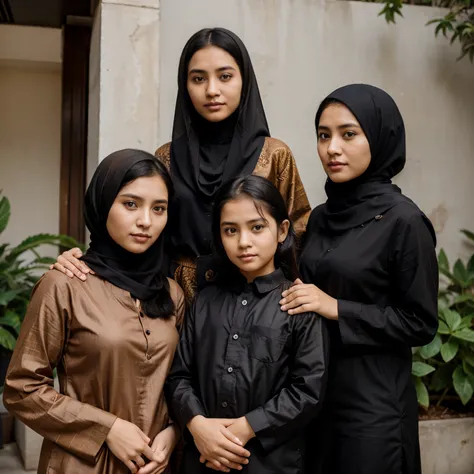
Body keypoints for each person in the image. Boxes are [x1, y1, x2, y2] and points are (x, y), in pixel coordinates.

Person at [50, 27, 311, 304]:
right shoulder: (166, 157)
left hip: (256, 300)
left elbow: (298, 232)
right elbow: (143, 229)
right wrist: (87, 260)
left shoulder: (274, 154)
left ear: (244, 81)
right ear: (185, 85)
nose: (212, 90)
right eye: (198, 78)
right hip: (175, 301)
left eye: (225, 76)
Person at [279, 84, 439, 474]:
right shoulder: (319, 218)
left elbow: (420, 322)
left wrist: (336, 308)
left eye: (349, 134)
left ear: (380, 137)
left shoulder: (405, 221)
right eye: (323, 135)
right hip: (315, 395)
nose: (332, 148)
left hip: (372, 407)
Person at [3, 149, 184, 474]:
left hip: (155, 465)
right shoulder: (65, 284)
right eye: (130, 204)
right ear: (102, 205)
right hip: (80, 464)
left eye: (159, 208)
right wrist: (106, 428)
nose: (146, 220)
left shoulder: (172, 293)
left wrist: (174, 431)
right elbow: (21, 389)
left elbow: (179, 380)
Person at [165, 175, 329, 474]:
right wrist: (198, 425)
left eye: (257, 227)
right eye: (231, 230)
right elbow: (179, 376)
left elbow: (307, 390)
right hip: (203, 460)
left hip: (270, 464)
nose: (244, 242)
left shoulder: (299, 303)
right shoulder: (205, 301)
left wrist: (246, 428)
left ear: (281, 231)